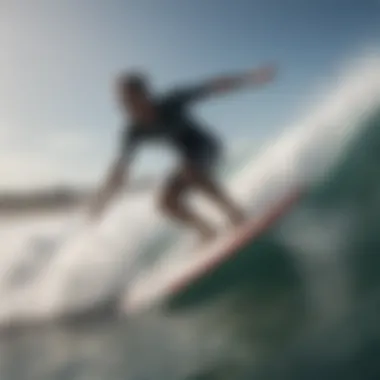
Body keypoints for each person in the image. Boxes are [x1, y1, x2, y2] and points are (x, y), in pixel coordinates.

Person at [89, 64, 276, 243]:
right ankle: (206, 230)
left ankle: (236, 214)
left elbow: (212, 86)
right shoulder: (133, 131)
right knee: (165, 203)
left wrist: (251, 77)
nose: (125, 106)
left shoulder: (172, 102)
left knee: (190, 170)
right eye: (122, 101)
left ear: (144, 94)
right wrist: (103, 200)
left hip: (206, 146)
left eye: (129, 99)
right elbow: (120, 169)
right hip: (187, 159)